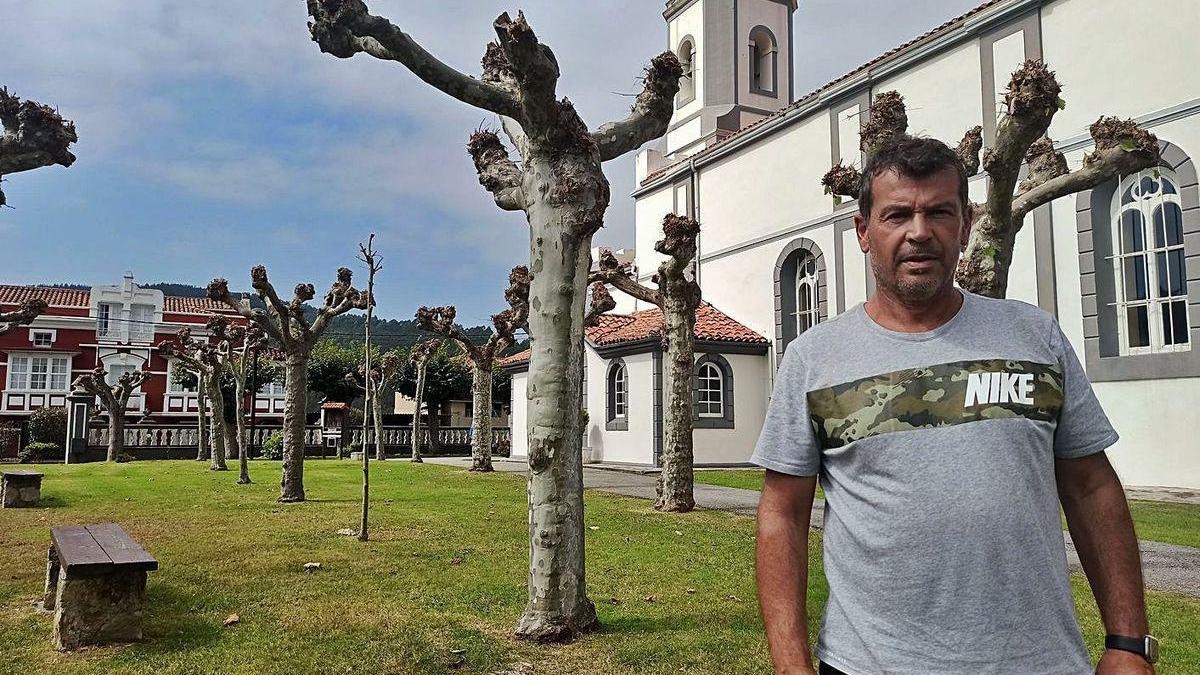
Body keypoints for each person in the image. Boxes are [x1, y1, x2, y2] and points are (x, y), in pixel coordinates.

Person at [751, 135, 1158, 674]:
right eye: (897, 215)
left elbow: (1091, 486)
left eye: (938, 212)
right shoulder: (813, 360)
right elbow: (782, 514)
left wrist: (1129, 643)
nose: (919, 233)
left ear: (965, 225)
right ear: (863, 231)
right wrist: (790, 664)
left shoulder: (1033, 336)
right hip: (869, 664)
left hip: (1037, 663)